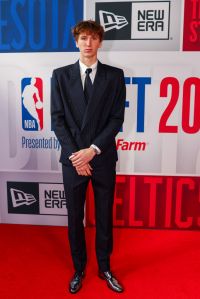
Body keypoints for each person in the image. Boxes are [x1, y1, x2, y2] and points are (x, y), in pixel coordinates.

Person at [51, 20, 126, 294]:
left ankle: (105, 266)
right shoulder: (60, 76)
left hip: (102, 157)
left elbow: (116, 119)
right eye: (83, 38)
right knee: (74, 218)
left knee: (104, 215)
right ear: (76, 41)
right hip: (73, 161)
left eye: (93, 38)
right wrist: (76, 156)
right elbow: (57, 120)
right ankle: (78, 268)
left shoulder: (114, 76)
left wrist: (92, 150)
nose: (88, 43)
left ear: (100, 42)